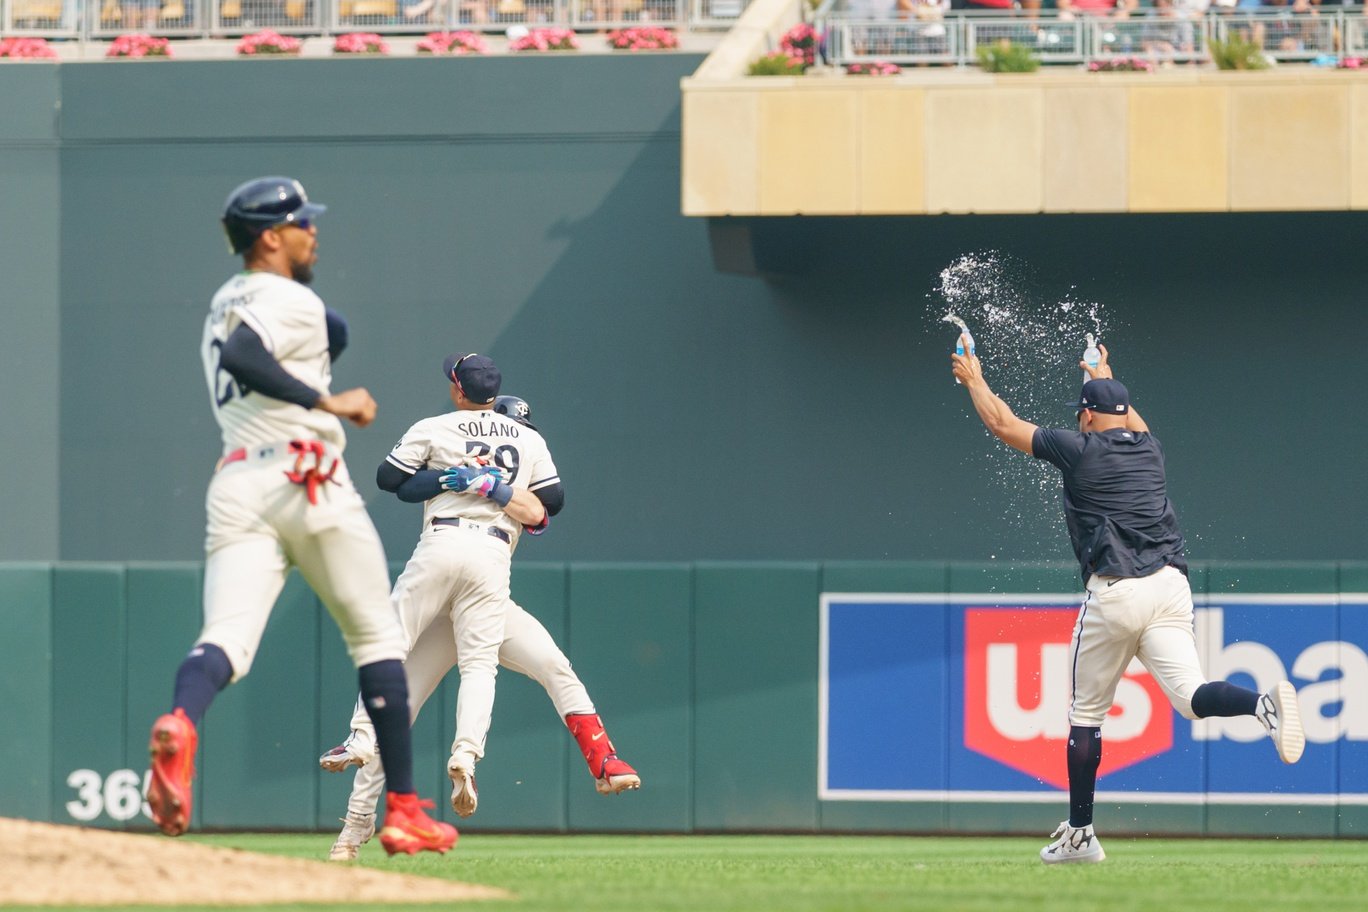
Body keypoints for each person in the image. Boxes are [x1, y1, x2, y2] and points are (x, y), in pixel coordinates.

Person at [144, 176, 456, 857]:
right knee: (377, 637)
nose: (313, 232)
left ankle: (180, 721)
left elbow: (298, 337)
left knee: (225, 636)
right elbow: (246, 356)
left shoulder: (223, 300)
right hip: (306, 472)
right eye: (300, 223)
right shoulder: (283, 296)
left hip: (237, 479)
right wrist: (327, 399)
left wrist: (321, 352)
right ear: (269, 237)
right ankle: (402, 810)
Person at [950, 336, 1305, 864]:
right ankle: (1262, 706)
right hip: (1170, 588)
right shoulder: (1150, 449)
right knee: (1190, 696)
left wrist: (974, 379)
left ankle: (1081, 834)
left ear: (1088, 418)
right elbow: (1125, 418)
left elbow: (1004, 424)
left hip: (1117, 592)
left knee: (1085, 717)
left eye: (1082, 414)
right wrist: (1101, 374)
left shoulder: (1079, 449)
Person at [318, 386, 641, 861]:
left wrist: (494, 484)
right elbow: (408, 483)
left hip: (481, 602)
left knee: (554, 666)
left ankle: (604, 759)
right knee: (404, 710)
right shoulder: (479, 455)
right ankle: (358, 822)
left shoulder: (508, 475)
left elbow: (538, 511)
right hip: (461, 594)